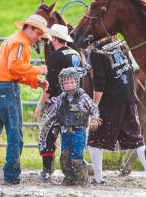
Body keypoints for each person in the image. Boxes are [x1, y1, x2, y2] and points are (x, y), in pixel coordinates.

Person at [0, 14, 50, 185]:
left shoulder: (12, 39)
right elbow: (15, 66)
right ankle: (11, 176)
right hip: (6, 90)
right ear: (29, 28)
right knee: (15, 134)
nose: (39, 38)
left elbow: (14, 71)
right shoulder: (21, 43)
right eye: (38, 34)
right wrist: (38, 70)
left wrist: (35, 82)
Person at [87, 36, 146, 187]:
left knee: (94, 140)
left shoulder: (96, 52)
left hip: (110, 102)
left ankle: (98, 179)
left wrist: (94, 109)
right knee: (137, 139)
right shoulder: (121, 45)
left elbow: (99, 84)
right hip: (129, 98)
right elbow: (130, 69)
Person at [33, 24, 83, 181]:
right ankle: (75, 169)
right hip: (75, 101)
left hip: (57, 101)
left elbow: (50, 85)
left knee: (46, 132)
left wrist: (40, 105)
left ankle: (47, 170)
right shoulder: (76, 54)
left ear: (54, 38)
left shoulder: (56, 56)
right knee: (70, 136)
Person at [40, 67, 100, 186]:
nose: (69, 85)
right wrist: (47, 125)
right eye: (66, 83)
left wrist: (94, 119)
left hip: (78, 133)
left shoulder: (83, 97)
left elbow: (94, 110)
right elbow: (54, 114)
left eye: (71, 82)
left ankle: (82, 179)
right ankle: (69, 178)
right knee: (64, 159)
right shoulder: (61, 98)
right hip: (65, 133)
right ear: (62, 84)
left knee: (76, 158)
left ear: (77, 82)